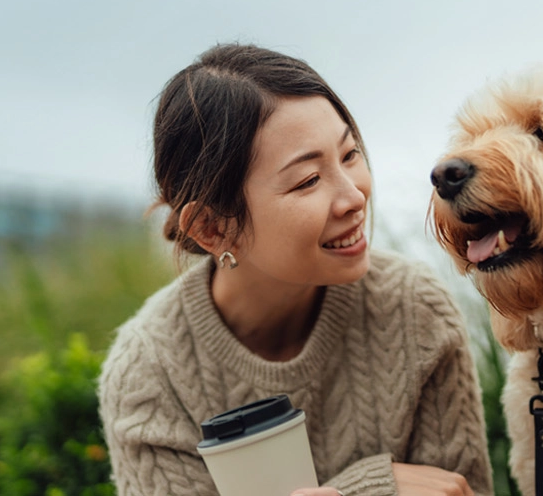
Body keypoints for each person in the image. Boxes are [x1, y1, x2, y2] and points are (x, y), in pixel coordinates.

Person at [98, 44, 491, 496]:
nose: (355, 197)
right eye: (307, 181)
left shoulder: (413, 308)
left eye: (349, 155)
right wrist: (370, 489)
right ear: (211, 228)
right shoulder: (149, 373)